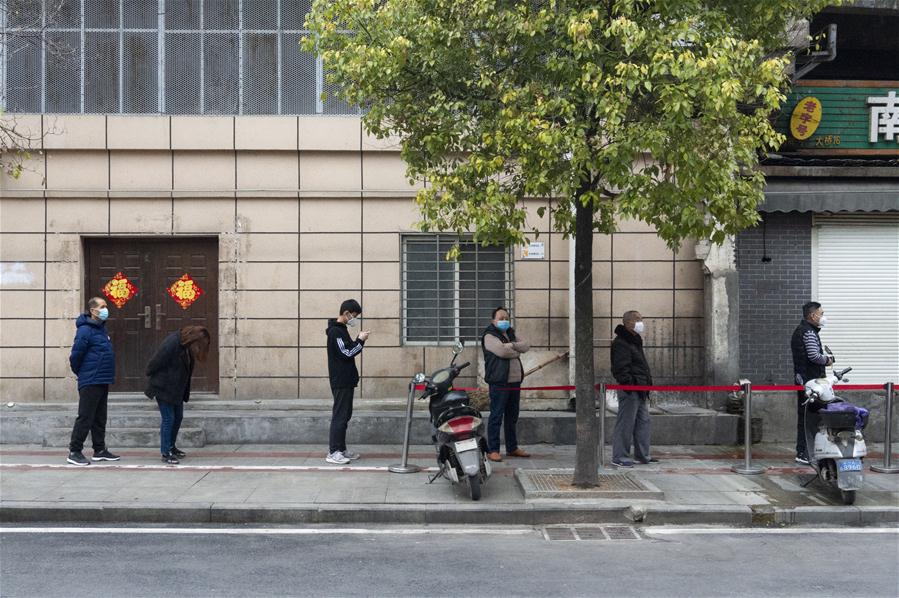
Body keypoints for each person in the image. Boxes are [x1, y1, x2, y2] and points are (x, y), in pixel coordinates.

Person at [145, 325, 211, 465]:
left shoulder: (187, 347)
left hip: (176, 389)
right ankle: (165, 452)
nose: (199, 348)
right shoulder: (173, 342)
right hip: (163, 387)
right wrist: (153, 377)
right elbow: (156, 361)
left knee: (178, 417)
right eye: (199, 345)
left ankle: (171, 446)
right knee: (169, 418)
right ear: (193, 339)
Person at [66, 297, 119, 466]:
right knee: (86, 416)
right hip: (90, 379)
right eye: (102, 307)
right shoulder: (85, 331)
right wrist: (82, 373)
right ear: (93, 310)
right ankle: (75, 451)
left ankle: (99, 450)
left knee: (99, 417)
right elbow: (76, 356)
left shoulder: (101, 329)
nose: (105, 310)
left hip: (102, 379)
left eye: (106, 306)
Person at [481, 306, 530, 463]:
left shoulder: (510, 333)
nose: (504, 321)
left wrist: (511, 345)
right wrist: (515, 348)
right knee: (496, 416)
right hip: (499, 382)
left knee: (512, 416)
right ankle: (493, 450)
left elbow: (526, 346)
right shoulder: (489, 335)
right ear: (493, 320)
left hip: (515, 381)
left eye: (506, 318)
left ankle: (512, 447)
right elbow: (502, 352)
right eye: (501, 318)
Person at [610, 310, 658, 468]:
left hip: (640, 389)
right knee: (626, 423)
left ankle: (642, 455)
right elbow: (620, 369)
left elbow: (640, 364)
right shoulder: (621, 343)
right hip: (630, 389)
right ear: (628, 322)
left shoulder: (635, 340)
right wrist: (630, 384)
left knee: (643, 422)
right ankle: (620, 456)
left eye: (641, 318)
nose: (640, 322)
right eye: (637, 319)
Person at [325, 299, 370, 465]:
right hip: (341, 380)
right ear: (346, 313)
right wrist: (361, 340)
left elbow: (347, 348)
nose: (354, 319)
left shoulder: (341, 330)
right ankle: (333, 451)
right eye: (354, 316)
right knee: (340, 416)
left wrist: (357, 340)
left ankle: (341, 449)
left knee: (345, 415)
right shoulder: (335, 332)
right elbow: (347, 353)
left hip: (346, 380)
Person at [790, 301, 833, 465]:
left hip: (807, 381)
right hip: (810, 383)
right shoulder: (807, 333)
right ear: (812, 315)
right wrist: (828, 360)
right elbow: (814, 356)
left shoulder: (804, 331)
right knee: (809, 418)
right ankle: (803, 452)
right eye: (821, 314)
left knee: (807, 417)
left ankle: (806, 451)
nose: (823, 317)